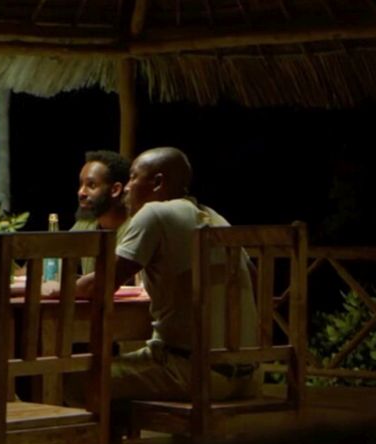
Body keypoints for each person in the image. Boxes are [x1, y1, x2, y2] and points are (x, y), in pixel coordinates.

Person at [68, 146, 260, 404]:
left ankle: (105, 433)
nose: (127, 188)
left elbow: (98, 285)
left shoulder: (154, 213)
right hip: (247, 376)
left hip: (190, 372)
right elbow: (253, 277)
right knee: (117, 372)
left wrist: (56, 289)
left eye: (134, 178)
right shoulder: (215, 217)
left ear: (158, 182)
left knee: (72, 380)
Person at [69, 150, 131, 275]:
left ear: (115, 190)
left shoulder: (136, 227)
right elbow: (52, 262)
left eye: (91, 185)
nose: (81, 192)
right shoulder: (85, 225)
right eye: (81, 184)